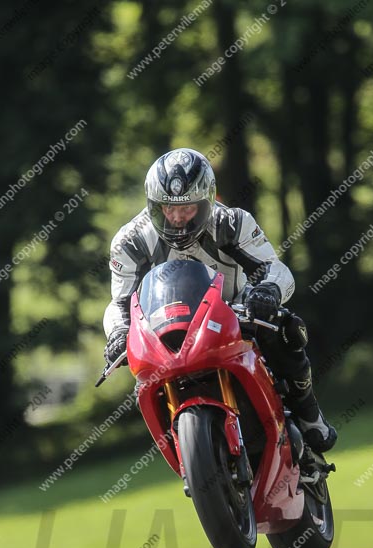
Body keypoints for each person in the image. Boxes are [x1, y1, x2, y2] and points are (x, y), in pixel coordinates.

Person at [103, 147, 337, 459]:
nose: (177, 218)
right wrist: (118, 333)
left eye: (188, 208)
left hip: (234, 315)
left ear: (207, 202)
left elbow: (275, 269)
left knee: (287, 328)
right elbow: (119, 302)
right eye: (167, 208)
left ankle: (309, 415)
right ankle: (186, 454)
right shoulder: (130, 241)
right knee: (143, 384)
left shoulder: (233, 222)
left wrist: (268, 291)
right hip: (166, 330)